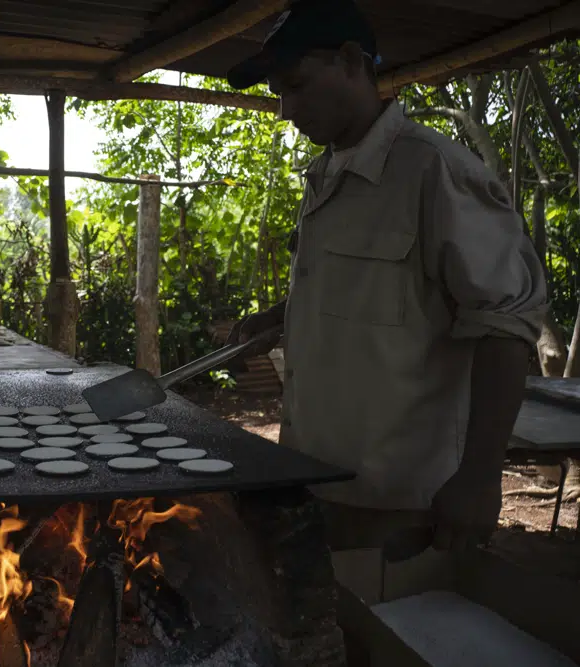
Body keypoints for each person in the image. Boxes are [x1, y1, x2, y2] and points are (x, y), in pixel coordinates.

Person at [223, 0, 547, 601]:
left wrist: (480, 477)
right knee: (332, 632)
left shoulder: (435, 172)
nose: (287, 110)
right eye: (279, 93)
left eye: (296, 86)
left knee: (395, 635)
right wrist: (277, 318)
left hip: (402, 502)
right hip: (313, 475)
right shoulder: (324, 178)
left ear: (351, 62)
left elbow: (505, 325)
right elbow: (359, 295)